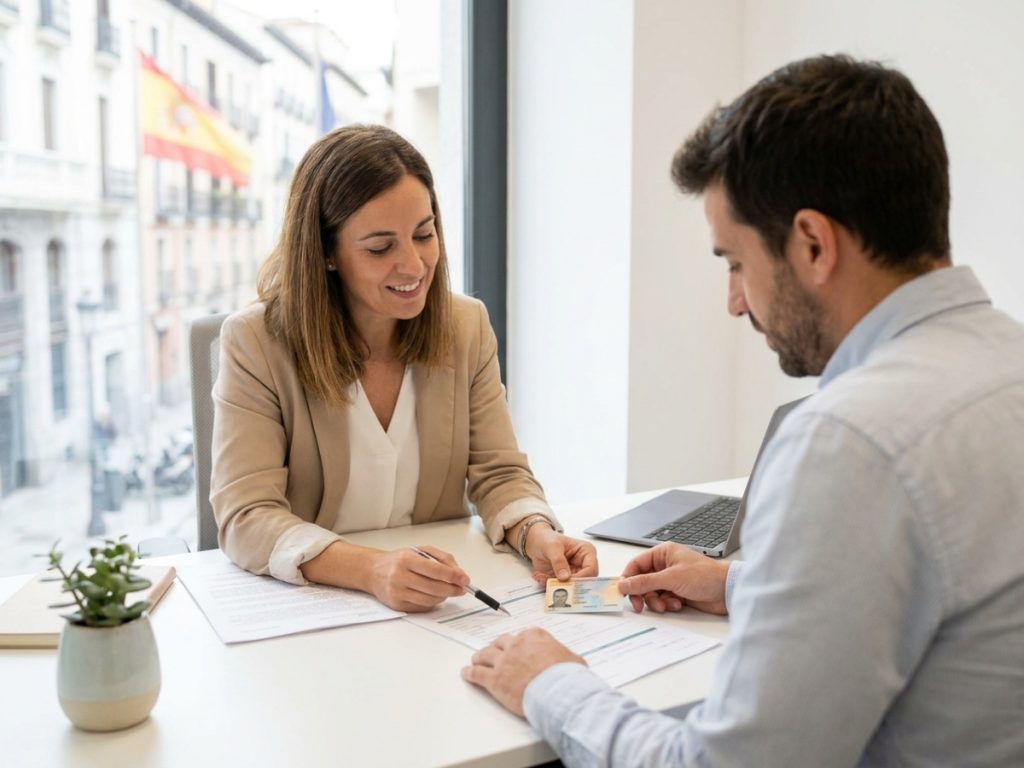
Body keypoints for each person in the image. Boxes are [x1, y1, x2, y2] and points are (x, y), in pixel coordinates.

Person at [462, 55, 1024, 765]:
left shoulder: (850, 441)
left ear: (814, 244)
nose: (734, 302)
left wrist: (551, 683)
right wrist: (742, 583)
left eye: (734, 262)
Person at [211, 125, 597, 612]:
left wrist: (536, 533)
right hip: (317, 606)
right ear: (326, 253)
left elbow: (498, 473)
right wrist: (371, 569)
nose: (414, 266)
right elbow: (245, 515)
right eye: (380, 247)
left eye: (424, 234)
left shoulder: (466, 326)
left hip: (437, 606)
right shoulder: (255, 343)